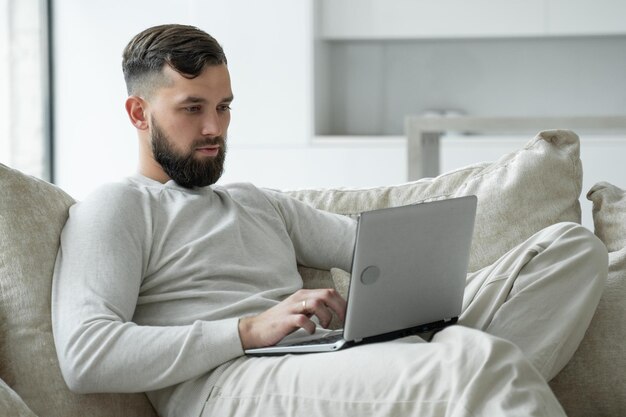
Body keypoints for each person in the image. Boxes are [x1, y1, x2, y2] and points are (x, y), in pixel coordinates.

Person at [51, 24, 607, 417]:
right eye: (192, 108)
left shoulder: (255, 202)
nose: (215, 127)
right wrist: (249, 331)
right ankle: (450, 378)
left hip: (326, 356)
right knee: (474, 359)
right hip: (231, 385)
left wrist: (420, 291)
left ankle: (439, 383)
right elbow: (87, 356)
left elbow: (372, 249)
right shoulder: (115, 207)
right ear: (138, 112)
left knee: (567, 248)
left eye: (223, 107)